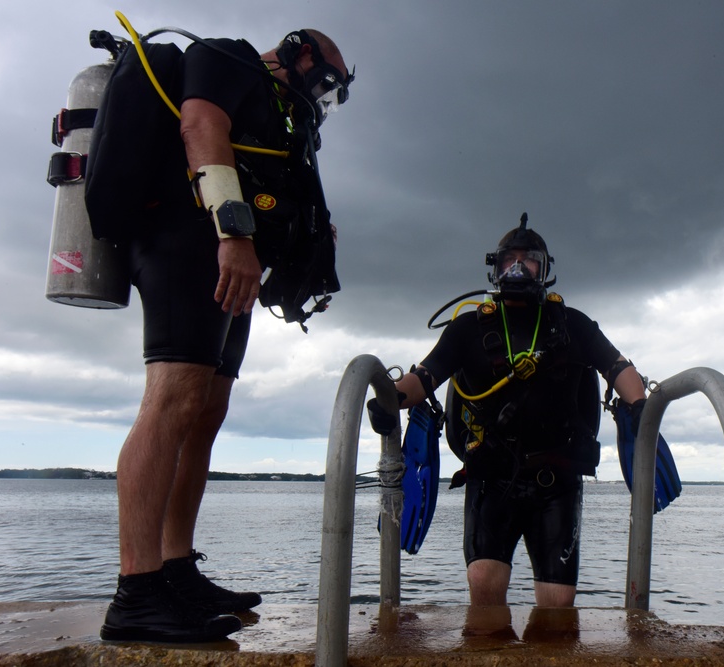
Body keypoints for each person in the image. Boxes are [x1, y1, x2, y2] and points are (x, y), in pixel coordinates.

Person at [96, 28, 353, 643]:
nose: (324, 97)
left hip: (229, 257)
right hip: (189, 242)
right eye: (326, 82)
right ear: (302, 52)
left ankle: (175, 568)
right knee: (174, 397)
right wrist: (233, 233)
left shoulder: (280, 114)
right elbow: (199, 126)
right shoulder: (227, 57)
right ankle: (136, 593)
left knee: (207, 409)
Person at [368, 215, 648, 608]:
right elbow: (425, 376)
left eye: (529, 259)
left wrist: (639, 405)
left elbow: (618, 367)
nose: (518, 268)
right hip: (491, 476)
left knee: (556, 602)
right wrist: (389, 399)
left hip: (557, 481)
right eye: (508, 260)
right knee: (484, 582)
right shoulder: (467, 328)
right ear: (495, 267)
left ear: (545, 269)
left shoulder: (571, 325)